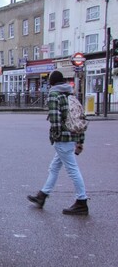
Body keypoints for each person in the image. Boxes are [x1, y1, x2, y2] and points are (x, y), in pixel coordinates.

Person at [27, 70, 88, 215]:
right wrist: (80, 140)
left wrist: (56, 136)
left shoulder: (54, 95)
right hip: (72, 136)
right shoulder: (71, 94)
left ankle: (82, 201)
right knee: (54, 167)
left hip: (63, 139)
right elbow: (79, 117)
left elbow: (55, 119)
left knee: (72, 170)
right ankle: (42, 195)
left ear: (51, 83)